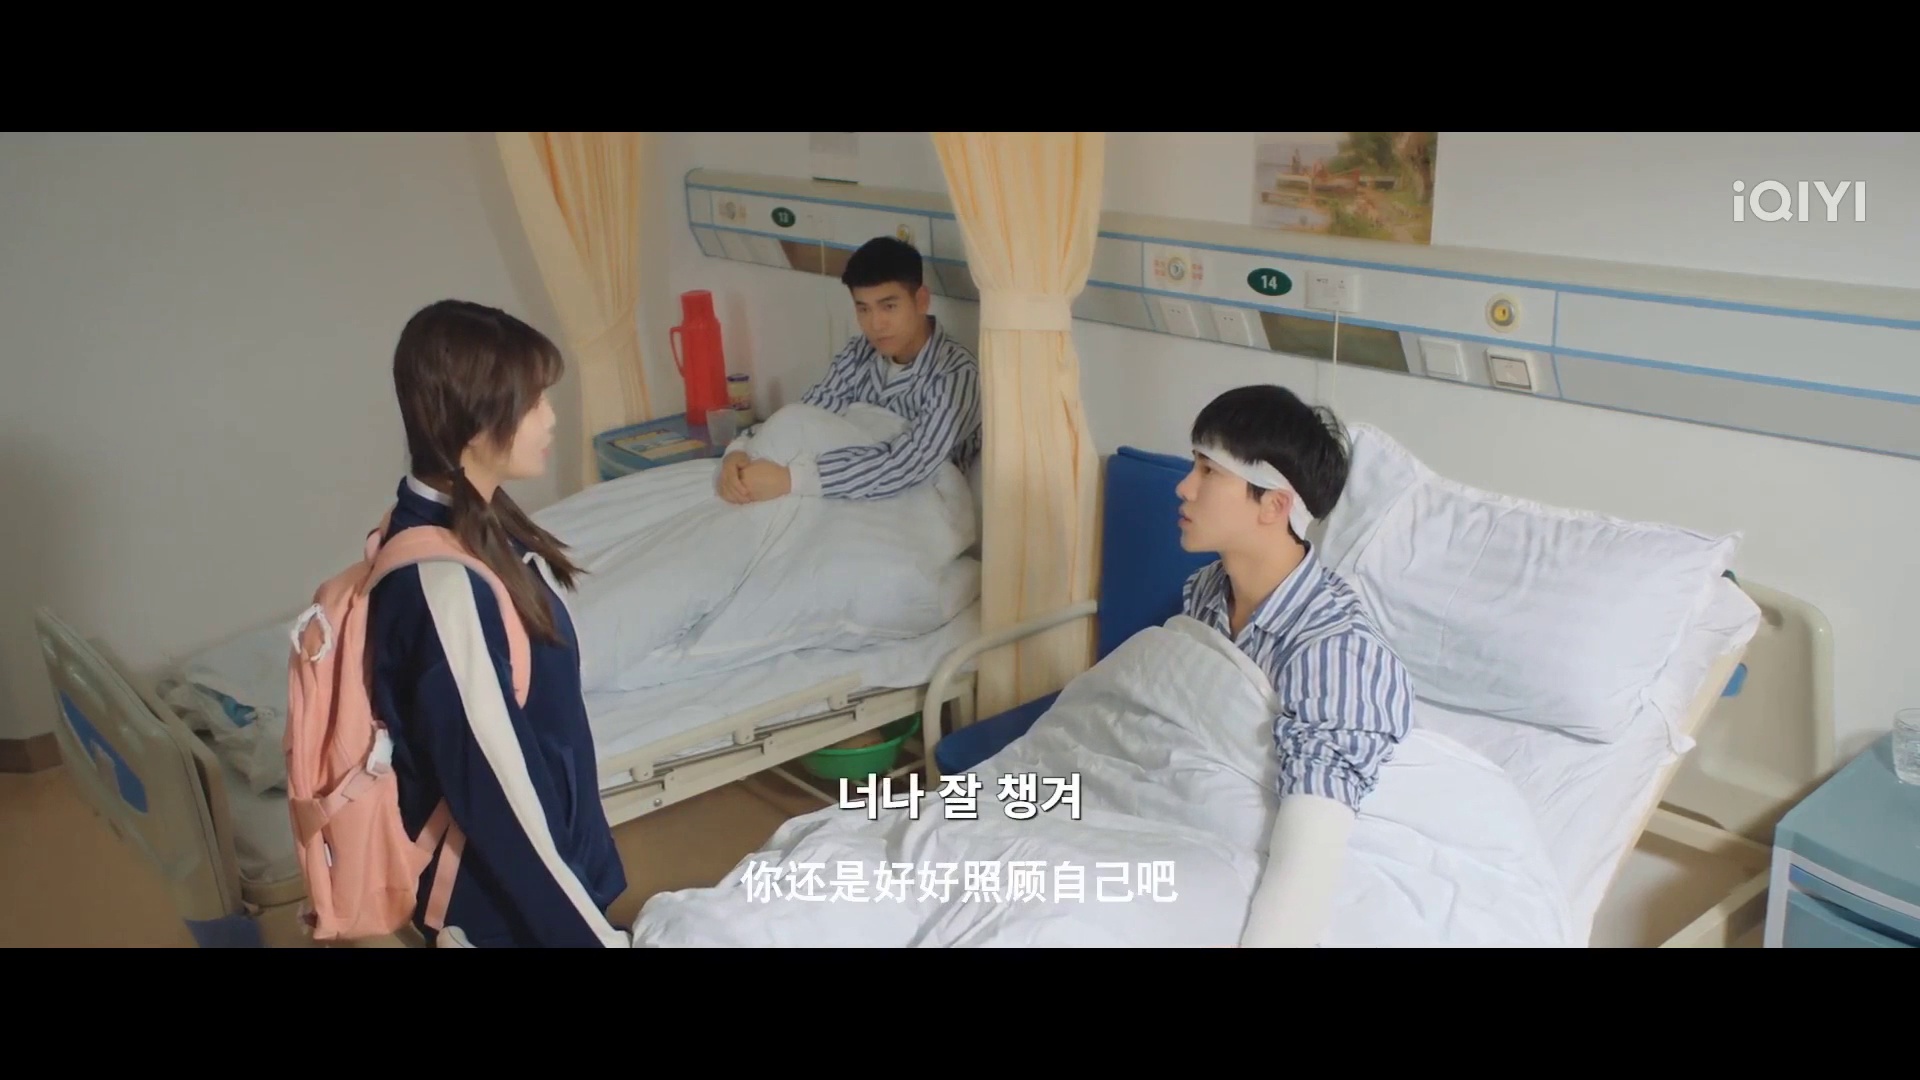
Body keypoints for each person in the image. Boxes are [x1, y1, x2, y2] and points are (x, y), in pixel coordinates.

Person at [367, 299, 631, 948]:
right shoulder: (445, 585)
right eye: (533, 402)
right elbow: (504, 806)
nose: (551, 417)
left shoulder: (471, 528)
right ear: (476, 419)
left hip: (540, 898)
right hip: (505, 917)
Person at [1173, 384, 1415, 948]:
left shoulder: (1335, 653)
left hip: (1262, 852)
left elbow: (1306, 867)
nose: (1184, 486)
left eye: (1208, 471)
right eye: (1193, 464)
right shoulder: (1205, 592)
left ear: (1274, 505)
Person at [717, 235, 981, 504]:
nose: (876, 324)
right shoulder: (859, 353)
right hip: (842, 490)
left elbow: (909, 463)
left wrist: (790, 480)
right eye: (863, 309)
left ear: (921, 300)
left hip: (915, 498)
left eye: (889, 306)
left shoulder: (956, 375)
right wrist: (739, 450)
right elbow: (811, 408)